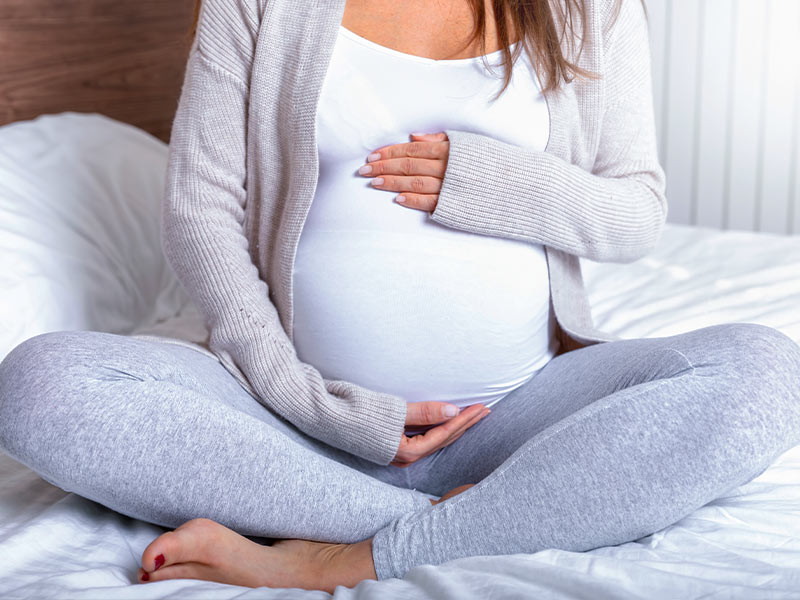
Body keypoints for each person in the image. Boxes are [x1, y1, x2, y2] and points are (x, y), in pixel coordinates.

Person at [1, 0, 800, 593]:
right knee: (41, 385)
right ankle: (481, 518)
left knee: (766, 373)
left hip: (514, 417)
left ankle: (338, 554)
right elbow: (200, 208)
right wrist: (307, 399)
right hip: (290, 424)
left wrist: (494, 182)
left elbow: (636, 216)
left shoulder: (588, 9)